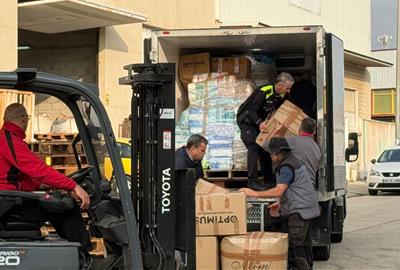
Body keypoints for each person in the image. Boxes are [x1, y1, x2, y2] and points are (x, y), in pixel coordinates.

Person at [0, 103, 92, 265]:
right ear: (23, 118)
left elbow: (16, 178)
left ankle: (73, 254)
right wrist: (73, 186)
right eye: (26, 118)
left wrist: (43, 186)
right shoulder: (9, 140)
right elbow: (38, 169)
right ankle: (85, 258)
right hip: (9, 204)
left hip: (9, 199)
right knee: (65, 208)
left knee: (57, 203)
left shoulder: (7, 138)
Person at [239, 137, 320, 270]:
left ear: (278, 153)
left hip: (299, 211)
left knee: (295, 245)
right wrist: (280, 203)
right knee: (304, 244)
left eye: (271, 154)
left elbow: (279, 190)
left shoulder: (286, 166)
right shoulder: (293, 160)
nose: (271, 157)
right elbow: (294, 188)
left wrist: (253, 193)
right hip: (306, 208)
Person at [236, 72, 294, 191]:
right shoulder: (265, 91)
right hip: (247, 120)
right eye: (287, 88)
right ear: (279, 85)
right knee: (254, 147)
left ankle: (269, 180)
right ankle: (252, 181)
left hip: (259, 122)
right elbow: (252, 110)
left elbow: (279, 112)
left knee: (265, 148)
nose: (288, 91)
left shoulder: (281, 96)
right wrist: (259, 123)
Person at [265, 117, 321, 184]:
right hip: (310, 188)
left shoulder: (292, 141)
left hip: (295, 187)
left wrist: (276, 130)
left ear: (299, 129)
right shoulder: (317, 150)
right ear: (314, 132)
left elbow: (266, 144)